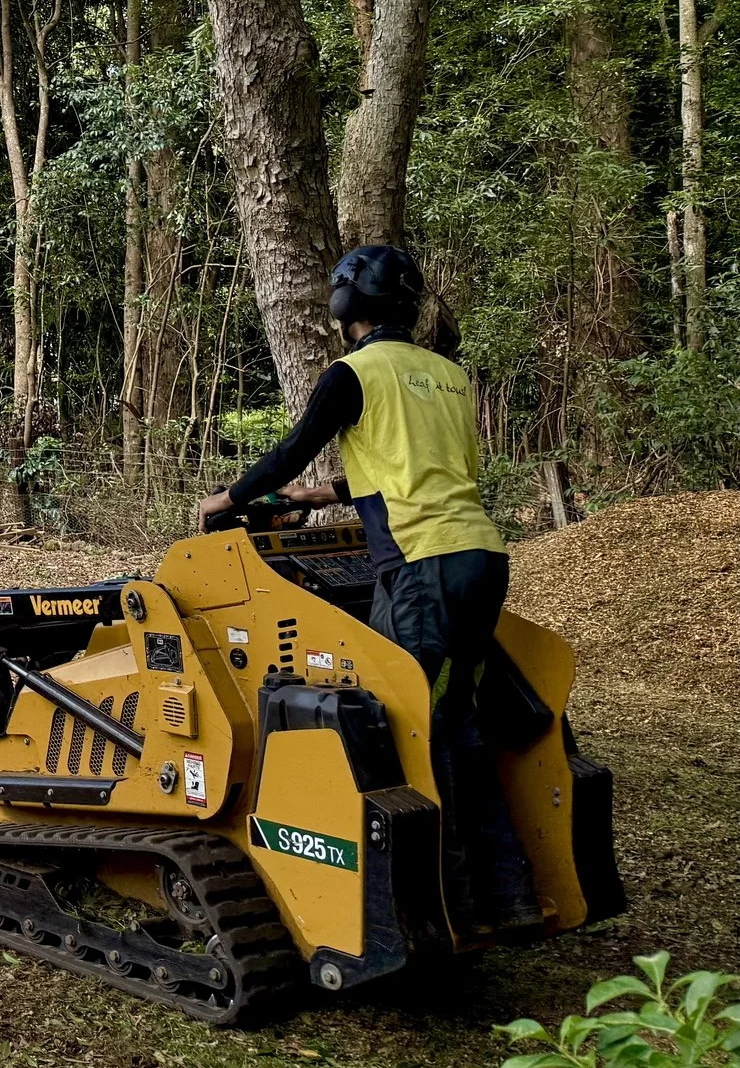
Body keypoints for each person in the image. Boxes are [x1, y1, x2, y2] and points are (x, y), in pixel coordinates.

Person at [195, 245, 543, 937]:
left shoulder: (351, 374)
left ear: (346, 302)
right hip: (480, 558)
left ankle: (447, 908)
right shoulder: (446, 376)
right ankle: (510, 896)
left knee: (410, 727)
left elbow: (292, 448)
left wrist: (228, 498)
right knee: (455, 722)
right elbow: (420, 470)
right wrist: (317, 495)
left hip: (421, 568)